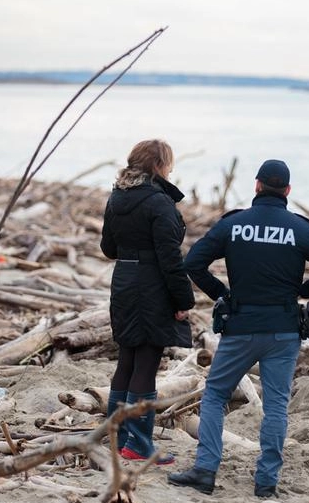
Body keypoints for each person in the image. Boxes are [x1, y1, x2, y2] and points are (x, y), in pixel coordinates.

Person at [168, 159, 309, 497]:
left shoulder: (234, 224)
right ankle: (266, 482)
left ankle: (205, 470)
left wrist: (221, 293)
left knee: (214, 396)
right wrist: (305, 290)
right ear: (288, 191)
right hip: (283, 329)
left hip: (241, 326)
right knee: (277, 405)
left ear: (256, 186)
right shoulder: (300, 228)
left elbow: (192, 262)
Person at [100, 139, 195, 463]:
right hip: (152, 284)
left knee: (126, 359)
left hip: (124, 281)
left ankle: (118, 438)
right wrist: (183, 299)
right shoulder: (159, 203)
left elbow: (108, 248)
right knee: (147, 362)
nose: (171, 169)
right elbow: (170, 258)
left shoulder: (117, 197)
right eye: (169, 163)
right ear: (158, 167)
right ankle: (138, 445)